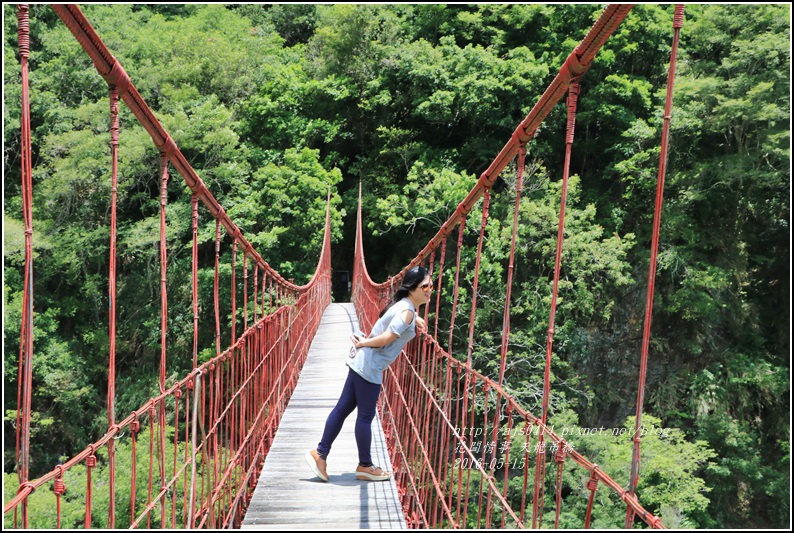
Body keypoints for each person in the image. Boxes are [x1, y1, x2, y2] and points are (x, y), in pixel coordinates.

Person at [305, 266, 432, 482]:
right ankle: (365, 466)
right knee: (365, 417)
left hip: (360, 361)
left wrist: (416, 319)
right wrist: (365, 342)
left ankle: (321, 453)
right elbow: (386, 338)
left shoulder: (406, 307)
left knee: (343, 408)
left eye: (431, 285)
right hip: (370, 366)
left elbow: (403, 317)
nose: (430, 290)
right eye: (425, 286)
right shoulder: (407, 311)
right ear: (412, 288)